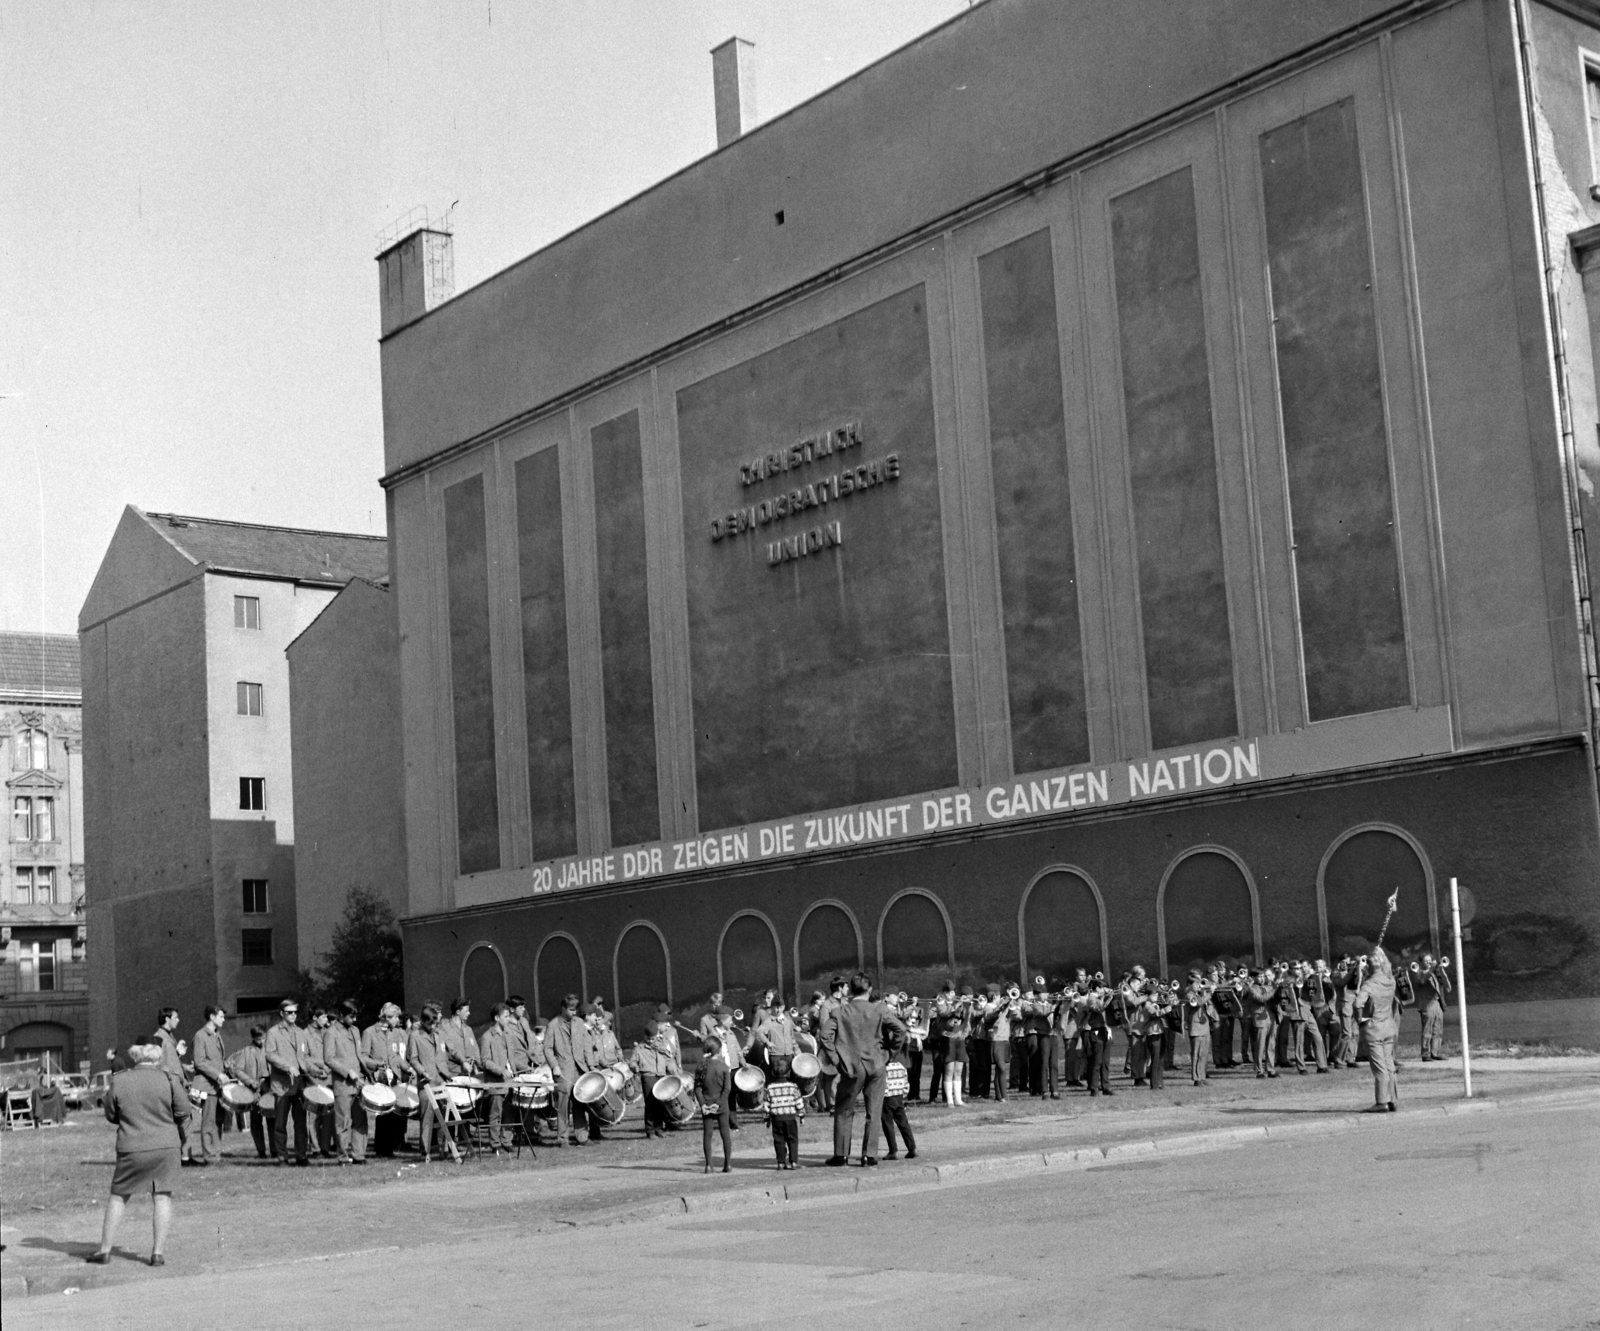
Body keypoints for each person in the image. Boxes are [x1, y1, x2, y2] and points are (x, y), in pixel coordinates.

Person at [87, 1043, 191, 1267]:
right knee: (162, 1197)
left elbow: (111, 1113)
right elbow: (184, 1111)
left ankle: (104, 1250)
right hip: (166, 1146)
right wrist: (178, 1137)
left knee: (118, 1197)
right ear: (157, 1056)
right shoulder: (170, 1078)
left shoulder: (120, 1079)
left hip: (131, 1146)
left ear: (135, 1056)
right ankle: (157, 1253)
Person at [820, 972, 906, 1167]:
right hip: (876, 1064)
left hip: (850, 1066)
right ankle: (869, 1155)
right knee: (874, 1111)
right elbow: (900, 1029)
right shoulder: (879, 1010)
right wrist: (890, 1054)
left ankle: (841, 1154)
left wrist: (836, 1059)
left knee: (843, 1109)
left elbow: (825, 1036)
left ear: (850, 991)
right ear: (869, 990)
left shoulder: (840, 1012)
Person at [406, 1002, 462, 1162]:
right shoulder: (415, 1036)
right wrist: (422, 1071)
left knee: (445, 1116)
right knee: (427, 1117)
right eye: (430, 1024)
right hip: (427, 1081)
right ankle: (426, 1151)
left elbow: (452, 1050)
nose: (433, 1027)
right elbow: (412, 1058)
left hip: (442, 1079)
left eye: (435, 1023)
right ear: (423, 1022)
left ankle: (444, 1149)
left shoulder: (439, 1033)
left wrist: (462, 1061)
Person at [545, 993, 600, 1145]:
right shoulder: (553, 1025)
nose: (574, 1013)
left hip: (580, 1069)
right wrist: (554, 1066)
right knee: (563, 1106)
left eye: (575, 1010)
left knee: (580, 1104)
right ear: (563, 1008)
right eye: (570, 1009)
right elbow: (547, 1048)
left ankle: (582, 1137)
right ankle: (563, 1139)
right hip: (563, 1071)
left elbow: (587, 1045)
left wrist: (591, 1066)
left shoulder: (579, 1023)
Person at [265, 999, 313, 1166]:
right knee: (280, 1124)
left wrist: (315, 1069)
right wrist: (288, 1067)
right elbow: (270, 1055)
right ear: (282, 1014)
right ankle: (282, 1158)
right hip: (282, 1085)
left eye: (295, 1012)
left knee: (301, 1123)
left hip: (299, 1085)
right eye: (289, 1012)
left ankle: (301, 1156)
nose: (293, 1015)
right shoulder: (273, 1033)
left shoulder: (301, 1033)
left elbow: (305, 1057)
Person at [360, 1003, 412, 1157]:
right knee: (382, 1115)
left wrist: (407, 1068)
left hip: (394, 1077)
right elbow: (363, 1056)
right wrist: (376, 1066)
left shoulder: (394, 1033)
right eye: (396, 1017)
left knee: (392, 1115)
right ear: (388, 1018)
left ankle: (389, 1148)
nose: (398, 1020)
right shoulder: (369, 1032)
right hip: (379, 1078)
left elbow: (396, 1056)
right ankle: (381, 1148)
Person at [1356, 950, 1403, 1112]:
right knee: (1389, 1064)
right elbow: (1387, 968)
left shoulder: (1369, 984)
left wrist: (1360, 1019)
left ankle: (1382, 1101)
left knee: (1379, 1067)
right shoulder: (1390, 980)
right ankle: (1393, 1099)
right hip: (1389, 1027)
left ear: (1369, 966)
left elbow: (1357, 1004)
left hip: (1373, 1028)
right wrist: (1381, 954)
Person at [324, 1001, 368, 1165]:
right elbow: (329, 1058)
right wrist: (347, 1072)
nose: (354, 1020)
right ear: (341, 1014)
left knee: (361, 1120)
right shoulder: (331, 1032)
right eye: (351, 1016)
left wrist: (368, 1072)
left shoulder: (355, 1030)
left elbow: (359, 1055)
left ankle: (359, 1155)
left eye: (355, 1016)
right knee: (343, 1122)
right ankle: (343, 1157)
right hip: (343, 1084)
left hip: (359, 1083)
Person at [633, 1004, 682, 1139]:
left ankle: (659, 1129)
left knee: (660, 1102)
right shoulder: (640, 1048)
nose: (651, 1041)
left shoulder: (661, 1044)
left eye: (653, 1039)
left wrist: (674, 1067)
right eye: (649, 1039)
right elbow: (633, 1062)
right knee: (650, 1104)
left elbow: (669, 1055)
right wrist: (635, 1068)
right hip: (648, 1077)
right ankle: (650, 1130)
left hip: (661, 1075)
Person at [224, 1026, 272, 1158]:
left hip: (269, 1087)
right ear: (253, 1038)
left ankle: (275, 1149)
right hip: (254, 1089)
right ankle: (261, 1150)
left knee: (272, 1119)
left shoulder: (271, 1048)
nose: (262, 1042)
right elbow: (238, 1070)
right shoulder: (245, 1052)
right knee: (256, 1121)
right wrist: (250, 1081)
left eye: (263, 1038)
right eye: (258, 1039)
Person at [189, 1006, 227, 1166]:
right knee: (209, 1121)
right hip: (207, 1086)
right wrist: (218, 1075)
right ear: (212, 1017)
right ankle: (210, 1156)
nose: (223, 1019)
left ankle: (216, 1153)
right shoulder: (200, 1036)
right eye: (221, 1016)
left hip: (218, 1087)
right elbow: (200, 1062)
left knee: (218, 1121)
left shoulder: (217, 1035)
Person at [477, 1002, 517, 1154]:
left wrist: (514, 1071)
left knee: (509, 1113)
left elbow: (511, 1056)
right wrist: (501, 1070)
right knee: (495, 1114)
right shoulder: (487, 1037)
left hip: (509, 1082)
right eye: (505, 1017)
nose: (508, 1019)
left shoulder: (508, 1033)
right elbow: (485, 1061)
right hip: (495, 1083)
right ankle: (495, 1144)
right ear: (496, 1018)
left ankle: (507, 1141)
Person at [695, 1037, 734, 1173]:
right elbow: (727, 1089)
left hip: (706, 1104)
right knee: (725, 1134)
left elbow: (697, 1088)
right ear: (720, 1050)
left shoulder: (701, 1066)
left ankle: (708, 1165)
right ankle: (727, 1164)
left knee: (707, 1135)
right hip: (721, 1105)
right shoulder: (724, 1067)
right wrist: (718, 1104)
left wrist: (703, 1105)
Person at [880, 1029, 917, 1161]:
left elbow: (882, 1085)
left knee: (887, 1124)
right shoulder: (900, 1067)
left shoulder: (883, 1069)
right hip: (899, 1098)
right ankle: (912, 1147)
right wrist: (903, 1094)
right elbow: (906, 1084)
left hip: (887, 1098)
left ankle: (893, 1150)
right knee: (903, 1123)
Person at [764, 1053, 805, 1169]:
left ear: (773, 1072)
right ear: (788, 1072)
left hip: (776, 1119)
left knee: (779, 1140)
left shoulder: (770, 1087)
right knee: (792, 1139)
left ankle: (781, 1162)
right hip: (790, 1117)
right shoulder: (793, 1086)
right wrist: (801, 1115)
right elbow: (798, 1101)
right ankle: (794, 1162)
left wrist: (766, 1118)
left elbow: (767, 1104)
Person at [1182, 971, 1216, 1086]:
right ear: (1189, 985)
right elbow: (1198, 1003)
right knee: (1196, 1054)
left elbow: (1208, 1004)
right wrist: (1209, 993)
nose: (1199, 985)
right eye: (1196, 984)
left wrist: (1209, 1001)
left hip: (1204, 1025)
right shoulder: (1189, 995)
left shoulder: (1201, 993)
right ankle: (1196, 1078)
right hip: (1196, 1027)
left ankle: (1202, 1076)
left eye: (1199, 983)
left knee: (1204, 1053)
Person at [1416, 956, 1451, 1060]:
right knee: (1427, 1030)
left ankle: (1435, 1052)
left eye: (1430, 961)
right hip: (1427, 1004)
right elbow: (1422, 981)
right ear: (1422, 963)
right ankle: (1425, 1054)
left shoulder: (1435, 973)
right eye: (1426, 961)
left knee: (1438, 1029)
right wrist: (1432, 969)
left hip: (1437, 1003)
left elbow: (1447, 985)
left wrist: (1441, 969)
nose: (1429, 963)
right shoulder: (1419, 972)